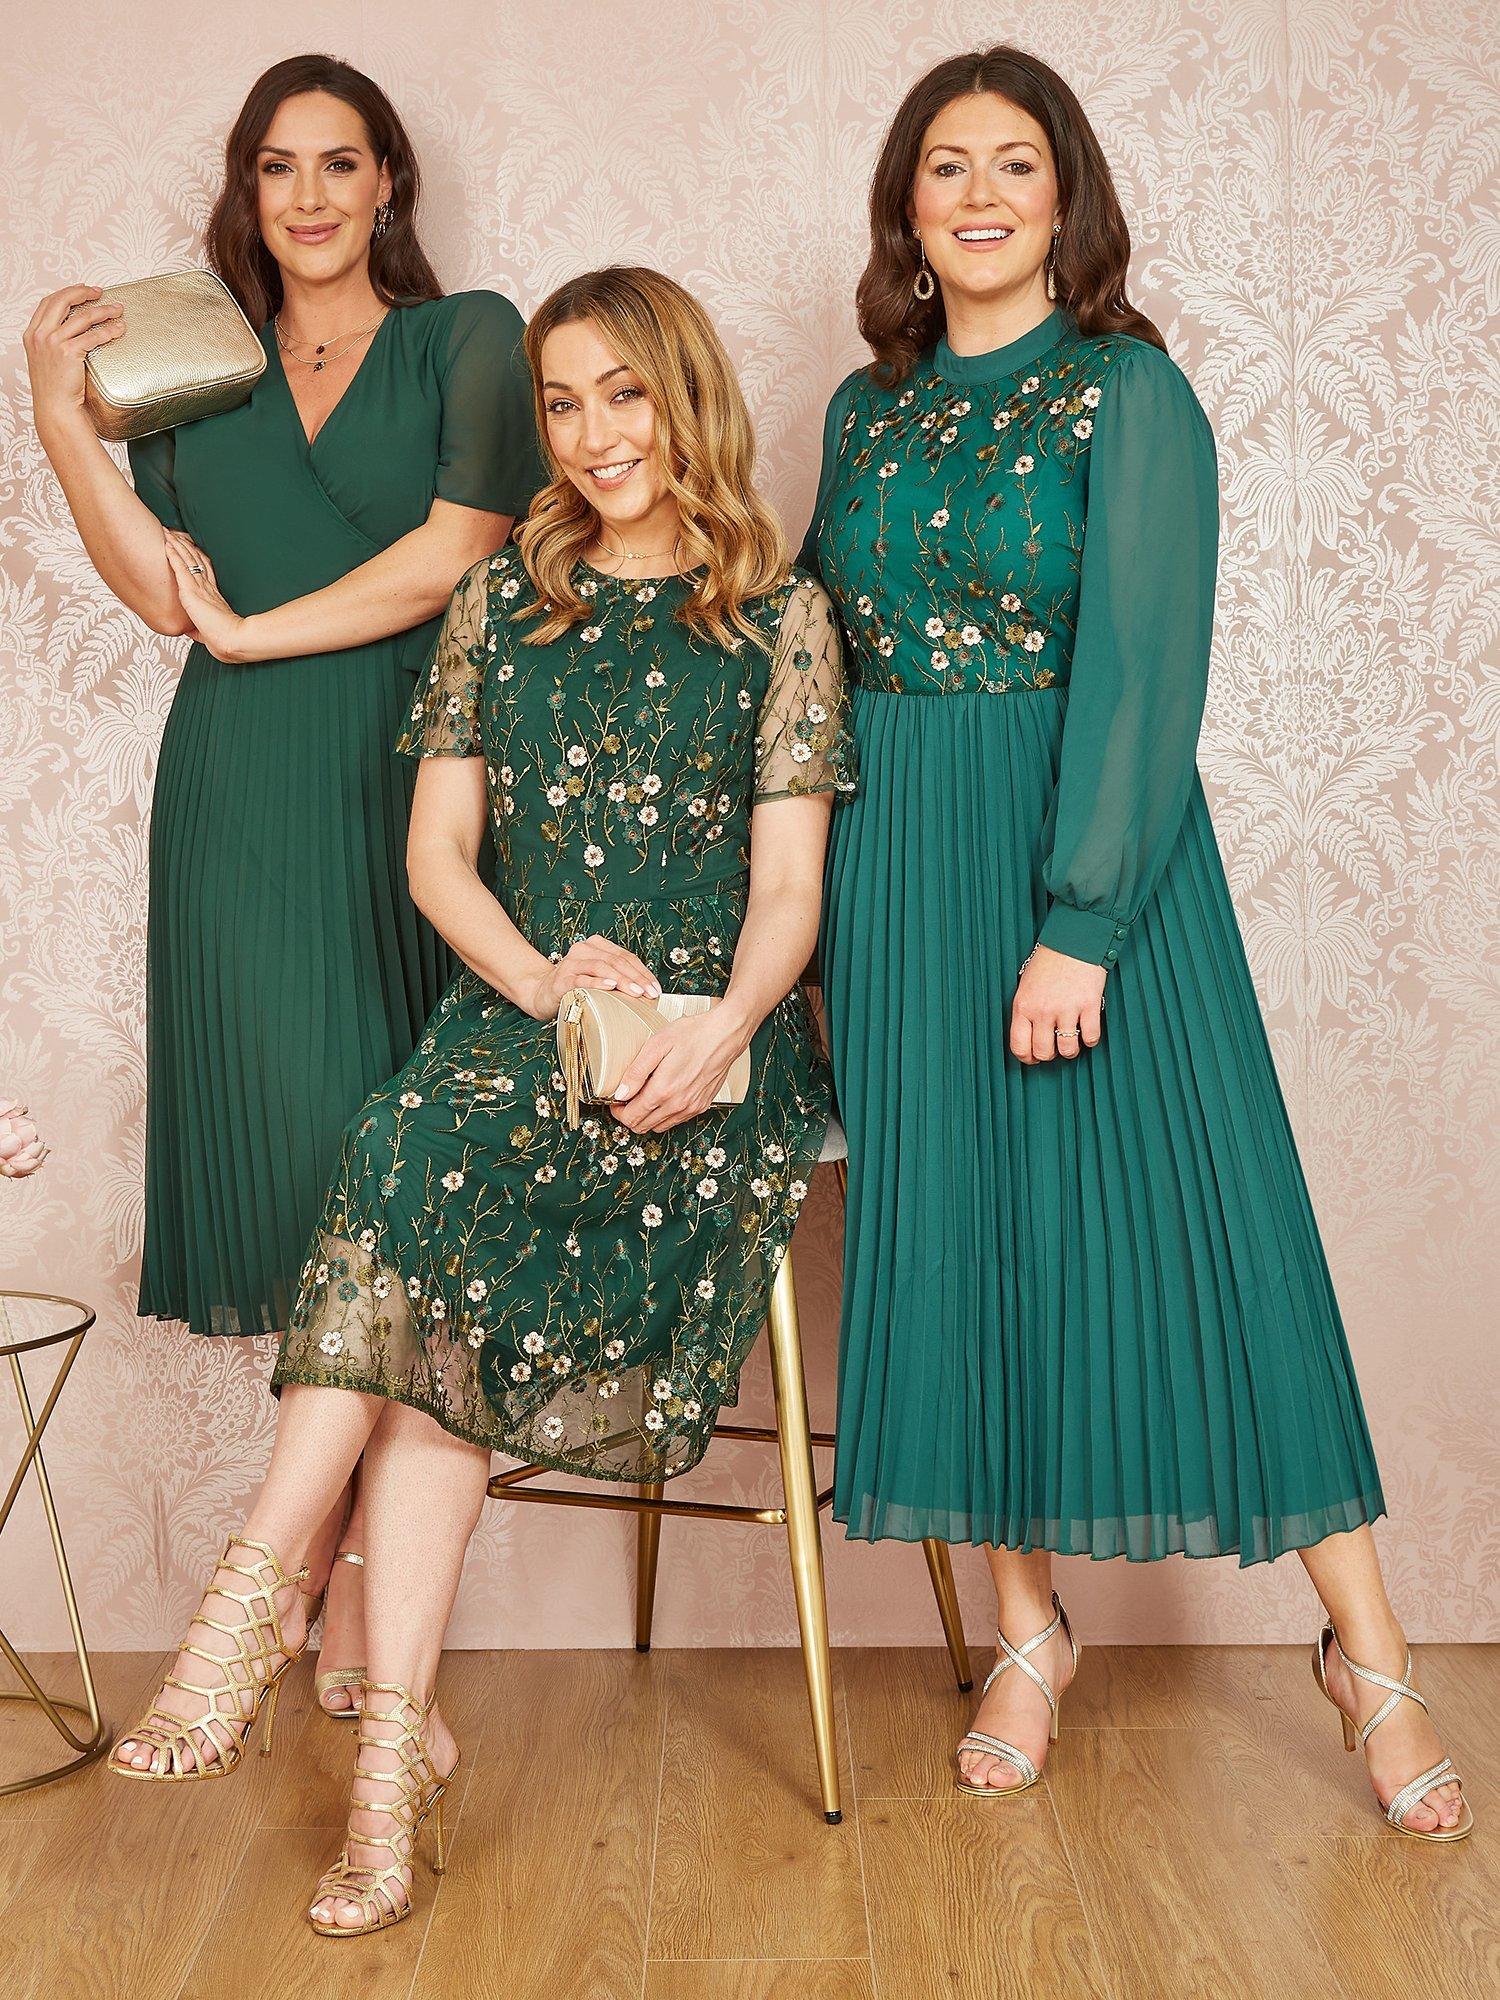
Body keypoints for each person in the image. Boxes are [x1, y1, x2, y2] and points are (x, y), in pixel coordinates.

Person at [110, 265, 855, 1937]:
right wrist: (542, 988)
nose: (592, 435)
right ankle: (375, 1773)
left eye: (624, 395)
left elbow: (792, 892)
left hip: (711, 1039)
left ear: (687, 396)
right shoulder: (503, 596)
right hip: (526, 1015)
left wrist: (718, 1033)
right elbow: (437, 860)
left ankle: (265, 1622)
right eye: (564, 403)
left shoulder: (778, 613)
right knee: (412, 1159)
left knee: (424, 1238)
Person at [803, 44, 1469, 1840]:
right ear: (907, 205)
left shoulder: (1127, 393)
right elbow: (813, 647)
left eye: (1017, 163)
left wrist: (1082, 921)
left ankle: (1370, 1655)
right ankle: (1027, 1631)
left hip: (1089, 857)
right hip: (896, 870)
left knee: (1220, 1238)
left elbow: (1148, 667)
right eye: (948, 164)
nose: (982, 194)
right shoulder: (866, 412)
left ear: (1068, 199)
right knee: (959, 1245)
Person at [23, 53, 540, 1719]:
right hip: (242, 796)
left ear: (390, 182)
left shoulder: (468, 340)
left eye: (340, 162)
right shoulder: (191, 369)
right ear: (246, 191)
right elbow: (157, 594)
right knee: (320, 1180)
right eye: (277, 167)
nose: (309, 196)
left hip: (422, 781)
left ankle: (323, 1574)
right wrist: (58, 418)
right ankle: (333, 1579)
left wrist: (256, 633)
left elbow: (457, 553)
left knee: (401, 1185)